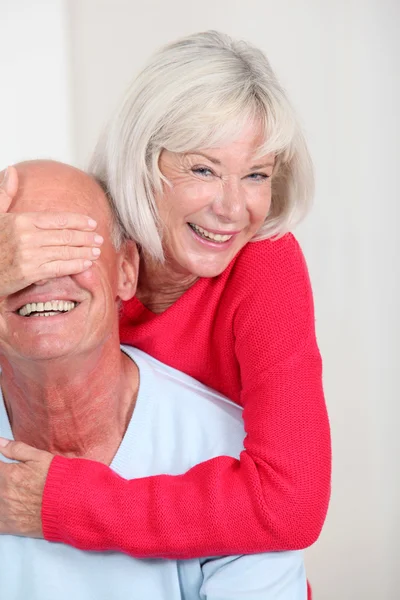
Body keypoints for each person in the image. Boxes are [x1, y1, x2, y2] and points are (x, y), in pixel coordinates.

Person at [0, 31, 330, 598]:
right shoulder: (84, 239)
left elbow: (291, 504)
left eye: (257, 174)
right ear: (140, 164)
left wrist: (62, 503)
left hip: (226, 568)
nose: (232, 207)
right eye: (202, 170)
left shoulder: (264, 265)